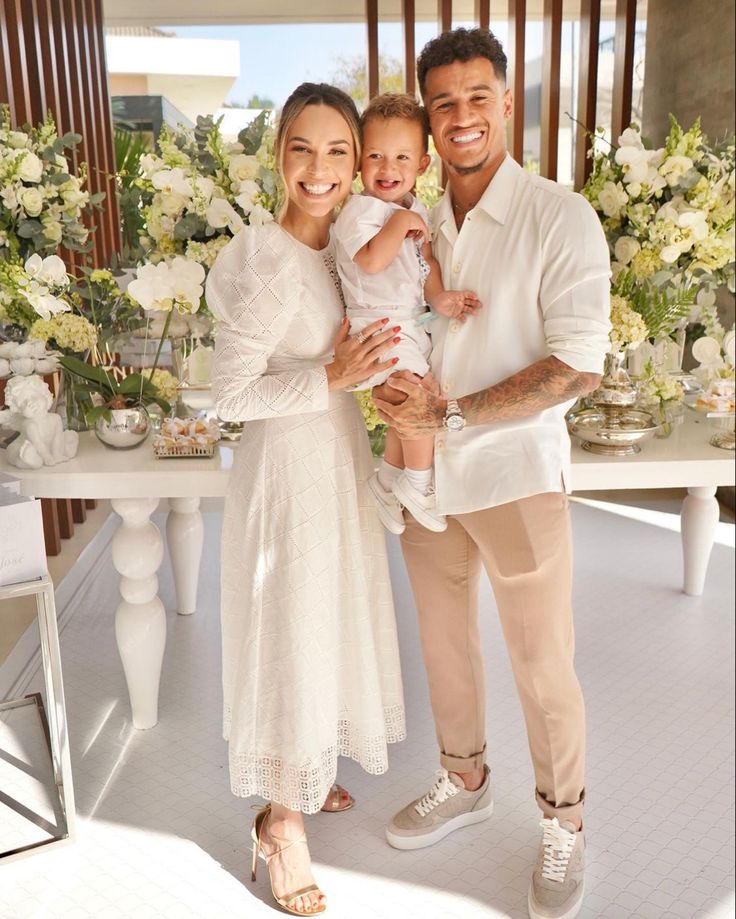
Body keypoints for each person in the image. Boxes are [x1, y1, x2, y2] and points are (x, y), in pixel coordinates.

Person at [373, 29, 611, 919]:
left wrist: (456, 414)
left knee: (543, 660)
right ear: (427, 119)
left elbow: (578, 365)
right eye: (444, 103)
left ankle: (565, 820)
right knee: (442, 642)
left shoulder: (560, 216)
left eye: (478, 97)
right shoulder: (412, 219)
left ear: (507, 103)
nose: (461, 116)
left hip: (513, 472)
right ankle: (464, 779)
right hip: (426, 475)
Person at [207, 82, 406, 917]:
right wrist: (332, 376)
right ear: (279, 157)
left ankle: (309, 764)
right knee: (290, 624)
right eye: (302, 148)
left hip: (332, 464)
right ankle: (279, 820)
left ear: (357, 162)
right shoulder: (262, 257)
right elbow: (228, 395)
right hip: (286, 475)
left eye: (337, 152)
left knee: (326, 616)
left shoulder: (336, 252)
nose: (320, 169)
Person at [333, 93, 481, 533]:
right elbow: (372, 261)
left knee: (404, 400)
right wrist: (396, 225)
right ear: (360, 163)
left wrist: (440, 299)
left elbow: (426, 263)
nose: (387, 168)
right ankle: (419, 483)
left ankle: (389, 479)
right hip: (377, 322)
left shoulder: (415, 209)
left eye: (401, 157)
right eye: (375, 156)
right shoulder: (361, 211)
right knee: (415, 399)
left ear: (422, 164)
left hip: (410, 319)